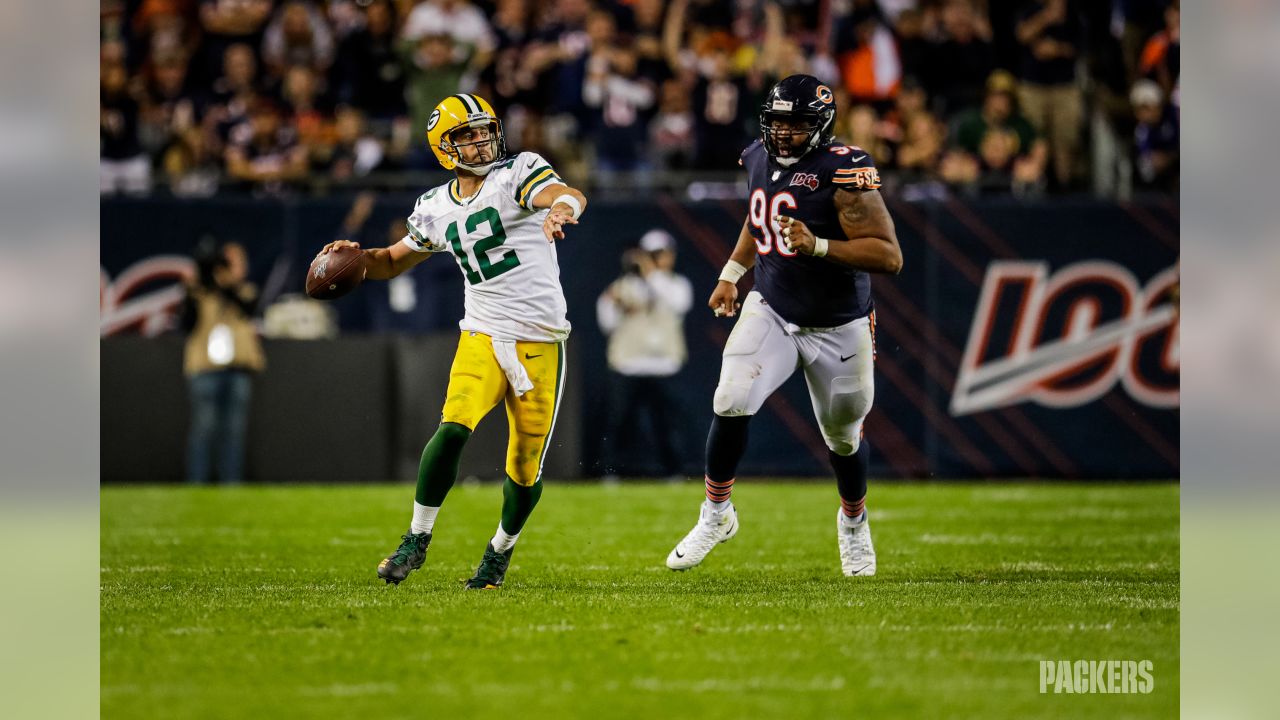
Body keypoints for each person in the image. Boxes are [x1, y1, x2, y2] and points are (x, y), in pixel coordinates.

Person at [317, 93, 588, 590]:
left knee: (524, 466)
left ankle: (499, 553)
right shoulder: (435, 206)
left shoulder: (518, 172)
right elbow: (393, 260)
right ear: (443, 148)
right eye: (465, 134)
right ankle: (416, 538)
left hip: (541, 342)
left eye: (483, 130)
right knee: (453, 426)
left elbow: (568, 193)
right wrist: (357, 255)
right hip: (482, 334)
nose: (479, 141)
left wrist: (561, 209)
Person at [665, 75, 903, 577]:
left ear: (821, 126)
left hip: (839, 324)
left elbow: (888, 255)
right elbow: (760, 217)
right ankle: (716, 515)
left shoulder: (845, 169)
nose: (784, 134)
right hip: (772, 306)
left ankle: (854, 522)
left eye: (796, 125)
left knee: (842, 436)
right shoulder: (757, 155)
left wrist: (819, 246)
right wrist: (732, 272)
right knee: (730, 397)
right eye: (777, 122)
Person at [596, 230, 693, 481]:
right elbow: (606, 323)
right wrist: (615, 305)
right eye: (650, 255)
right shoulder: (622, 286)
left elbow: (679, 305)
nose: (655, 260)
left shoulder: (676, 285)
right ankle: (610, 472)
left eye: (660, 254)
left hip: (665, 365)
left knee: (668, 424)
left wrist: (650, 274)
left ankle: (675, 472)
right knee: (618, 422)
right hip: (628, 364)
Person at [181, 239, 265, 485]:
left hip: (238, 369)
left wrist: (226, 285)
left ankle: (231, 485)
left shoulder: (245, 290)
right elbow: (186, 323)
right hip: (205, 369)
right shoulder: (199, 291)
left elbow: (249, 308)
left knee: (234, 432)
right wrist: (199, 285)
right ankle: (197, 483)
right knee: (203, 429)